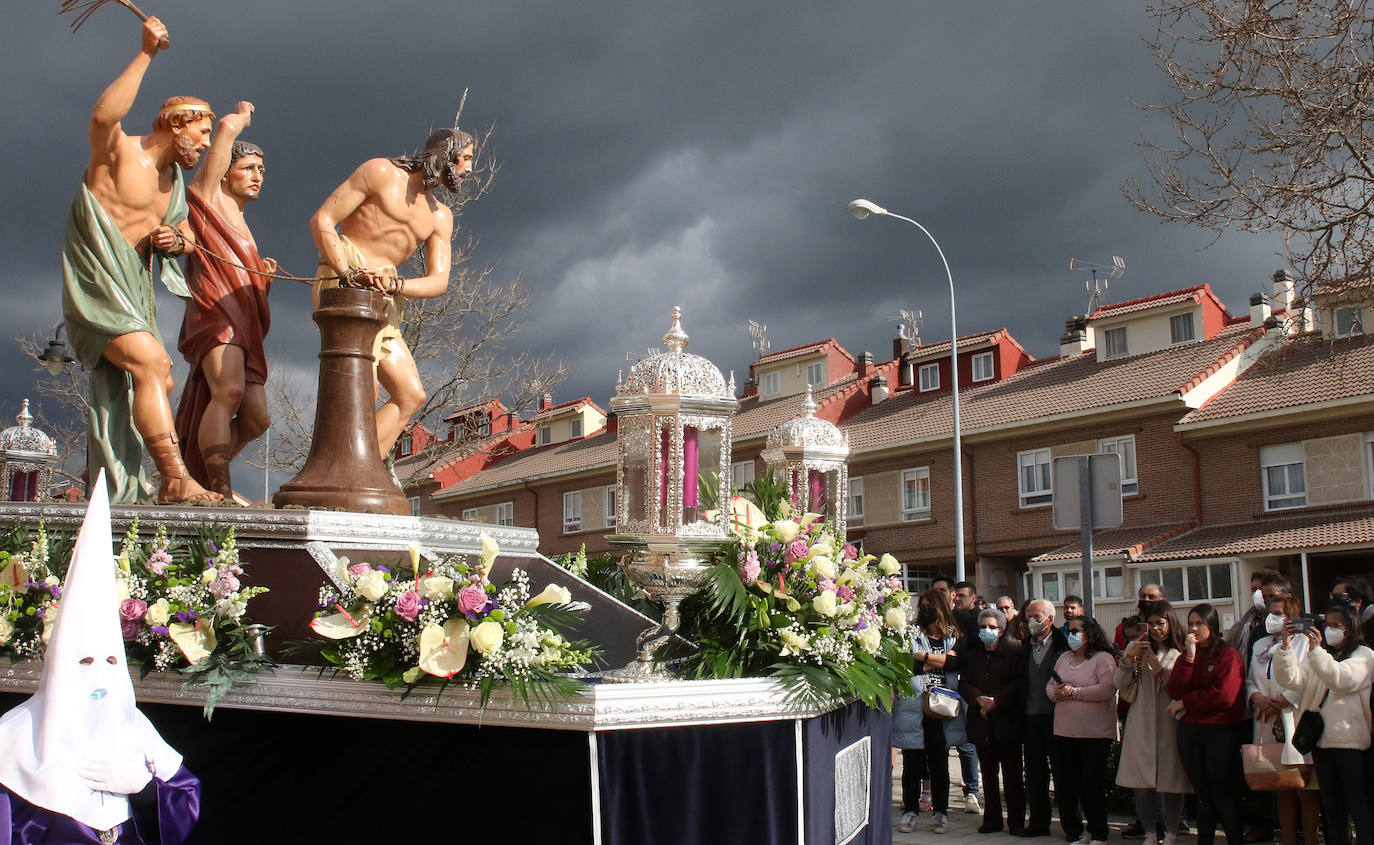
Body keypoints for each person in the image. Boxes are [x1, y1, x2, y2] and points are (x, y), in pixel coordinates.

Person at [60, 16, 220, 504]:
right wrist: (146, 52)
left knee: (157, 377)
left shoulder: (172, 183)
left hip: (133, 294)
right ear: (175, 125)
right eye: (202, 132)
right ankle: (174, 478)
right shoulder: (119, 156)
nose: (207, 143)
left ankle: (104, 477)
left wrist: (181, 241)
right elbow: (104, 117)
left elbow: (188, 233)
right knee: (152, 364)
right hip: (97, 288)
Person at [0, 471, 200, 843]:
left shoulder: (135, 730)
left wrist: (144, 791)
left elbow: (184, 798)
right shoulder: (10, 743)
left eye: (110, 663)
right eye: (84, 663)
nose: (98, 678)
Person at [310, 126, 475, 456]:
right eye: (467, 158)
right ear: (447, 154)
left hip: (385, 295)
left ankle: (363, 467)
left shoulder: (440, 216)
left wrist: (397, 285)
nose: (469, 169)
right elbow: (323, 219)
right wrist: (346, 270)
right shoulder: (380, 172)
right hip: (345, 279)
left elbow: (439, 281)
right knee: (362, 384)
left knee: (410, 394)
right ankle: (340, 468)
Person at [174, 101, 274, 499]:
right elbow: (204, 178)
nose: (257, 176)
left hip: (245, 325)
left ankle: (200, 472)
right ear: (225, 171)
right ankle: (217, 484)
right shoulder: (208, 201)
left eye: (261, 170)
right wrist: (232, 126)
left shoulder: (243, 221)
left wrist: (261, 278)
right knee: (227, 393)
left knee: (256, 418)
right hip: (216, 314)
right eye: (248, 167)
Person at [1273, 603, 1373, 845]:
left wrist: (1317, 651)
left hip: (1350, 742)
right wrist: (1285, 647)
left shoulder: (1364, 655)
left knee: (1358, 805)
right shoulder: (1319, 653)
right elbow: (1293, 680)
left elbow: (1342, 679)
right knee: (1331, 806)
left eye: (1335, 625)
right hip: (1320, 741)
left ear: (1350, 628)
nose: (1329, 630)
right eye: (1326, 625)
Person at [1167, 603, 1246, 845]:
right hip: (1191, 732)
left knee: (1222, 792)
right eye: (1190, 623)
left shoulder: (1227, 655)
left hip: (1220, 731)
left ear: (1211, 625)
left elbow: (1223, 695)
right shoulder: (1189, 654)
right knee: (1202, 794)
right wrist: (1189, 659)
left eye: (1199, 623)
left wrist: (1187, 702)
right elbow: (1175, 689)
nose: (1193, 628)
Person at [1245, 593, 1318, 845]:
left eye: (1278, 613)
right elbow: (1252, 679)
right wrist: (1256, 697)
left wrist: (1286, 698)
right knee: (1280, 785)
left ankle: (1310, 839)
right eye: (1271, 613)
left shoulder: (1303, 642)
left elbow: (1307, 675)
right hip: (1265, 718)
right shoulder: (1260, 645)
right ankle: (1287, 839)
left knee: (1302, 785)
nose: (1273, 618)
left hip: (1294, 718)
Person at [1116, 601, 1190, 845]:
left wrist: (1157, 667)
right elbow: (1119, 683)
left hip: (1171, 722)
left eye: (1161, 623)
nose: (1157, 629)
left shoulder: (1180, 651)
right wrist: (1129, 657)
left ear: (1170, 623)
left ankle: (1170, 832)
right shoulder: (1136, 648)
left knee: (1172, 782)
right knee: (1142, 783)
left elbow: (1181, 688)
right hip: (1141, 721)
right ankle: (1149, 832)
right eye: (1153, 623)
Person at [893, 589, 966, 835]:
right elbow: (905, 663)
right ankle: (911, 810)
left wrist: (923, 658)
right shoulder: (910, 634)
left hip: (941, 705)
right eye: (921, 606)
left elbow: (955, 663)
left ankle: (941, 812)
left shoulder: (954, 636)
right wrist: (939, 660)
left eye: (928, 606)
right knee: (912, 760)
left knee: (939, 761)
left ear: (939, 609)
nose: (924, 610)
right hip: (914, 703)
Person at [1048, 614, 1118, 845]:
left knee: (1091, 784)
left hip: (1094, 734)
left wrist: (1075, 693)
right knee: (1067, 785)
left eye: (1077, 631)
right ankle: (1074, 831)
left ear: (1090, 633)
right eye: (1070, 630)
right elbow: (1050, 686)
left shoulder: (1103, 659)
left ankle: (1098, 832)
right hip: (1064, 731)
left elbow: (1106, 690)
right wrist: (1056, 694)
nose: (1072, 635)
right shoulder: (1064, 658)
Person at [960, 608, 1026, 834]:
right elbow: (964, 683)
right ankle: (992, 820)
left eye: (992, 627)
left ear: (1001, 629)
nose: (987, 631)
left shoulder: (1013, 652)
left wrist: (996, 701)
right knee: (988, 776)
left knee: (1012, 776)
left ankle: (1016, 821)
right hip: (981, 722)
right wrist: (978, 699)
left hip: (1007, 722)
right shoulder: (973, 654)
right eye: (983, 627)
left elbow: (1018, 683)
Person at [1019, 598, 1068, 838]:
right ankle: (1038, 823)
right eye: (1028, 617)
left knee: (1062, 772)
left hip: (1057, 716)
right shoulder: (1025, 646)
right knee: (1035, 773)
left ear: (1050, 618)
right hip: (1031, 717)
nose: (1032, 622)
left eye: (1036, 617)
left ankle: (1071, 824)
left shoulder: (1063, 644)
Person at [949, 580, 984, 813]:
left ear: (973, 598)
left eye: (962, 596)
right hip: (949, 681)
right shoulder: (949, 618)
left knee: (967, 742)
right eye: (956, 596)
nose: (957, 599)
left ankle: (971, 791)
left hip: (970, 683)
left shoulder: (981, 622)